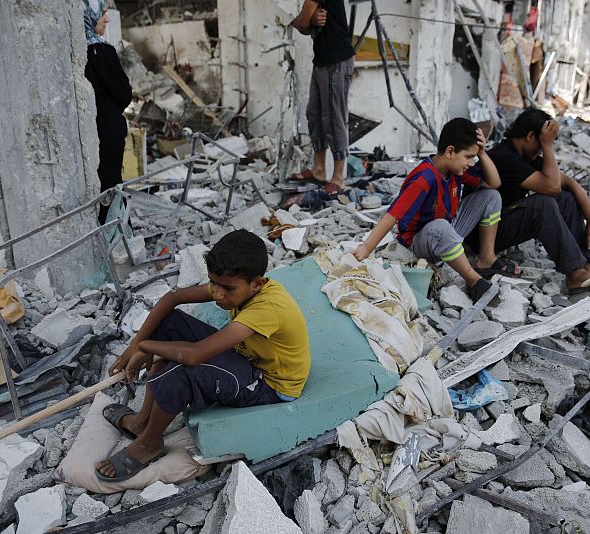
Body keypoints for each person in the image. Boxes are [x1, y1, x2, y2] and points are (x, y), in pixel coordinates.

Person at [95, 230, 311, 482]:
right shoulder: (236, 284)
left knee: (183, 370)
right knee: (169, 323)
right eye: (213, 283)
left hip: (269, 386)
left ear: (258, 284)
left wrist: (146, 347)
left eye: (227, 289)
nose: (217, 294)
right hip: (249, 360)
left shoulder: (267, 307)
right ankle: (142, 421)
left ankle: (149, 443)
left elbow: (194, 357)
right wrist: (135, 345)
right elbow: (172, 298)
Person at [465, 109, 590, 294]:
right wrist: (547, 146)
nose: (541, 151)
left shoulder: (526, 156)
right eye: (542, 142)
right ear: (530, 136)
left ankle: (586, 266)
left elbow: (568, 183)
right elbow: (552, 187)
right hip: (481, 236)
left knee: (566, 198)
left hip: (501, 224)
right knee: (542, 204)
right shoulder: (503, 157)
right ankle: (574, 274)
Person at [353, 118, 506, 302]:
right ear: (450, 152)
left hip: (447, 229)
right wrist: (366, 248)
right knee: (441, 227)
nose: (470, 163)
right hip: (420, 242)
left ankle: (485, 259)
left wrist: (482, 153)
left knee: (491, 197)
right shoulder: (424, 178)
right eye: (468, 157)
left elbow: (494, 183)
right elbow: (392, 215)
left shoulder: (455, 170)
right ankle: (474, 280)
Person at [291, 0, 356, 194]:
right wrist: (310, 20)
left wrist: (302, 20)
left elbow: (302, 24)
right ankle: (319, 170)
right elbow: (306, 26)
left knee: (333, 118)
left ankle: (338, 178)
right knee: (315, 113)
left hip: (336, 60)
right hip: (322, 60)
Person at [83, 0, 132, 223]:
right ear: (90, 16)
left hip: (89, 130)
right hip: (108, 129)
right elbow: (123, 93)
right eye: (102, 13)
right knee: (112, 183)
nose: (106, 18)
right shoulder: (101, 51)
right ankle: (116, 229)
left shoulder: (73, 52)